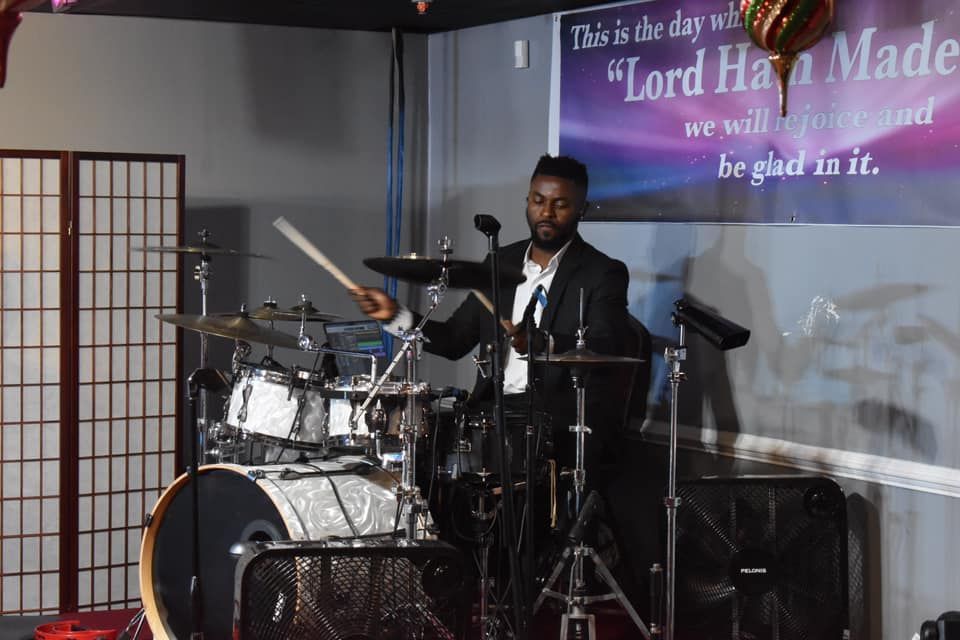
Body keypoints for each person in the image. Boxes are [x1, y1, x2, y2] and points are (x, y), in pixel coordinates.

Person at [350, 154, 633, 476]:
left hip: (553, 420)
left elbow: (607, 345)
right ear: (527, 201)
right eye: (538, 201)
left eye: (560, 204)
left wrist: (541, 343)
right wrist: (394, 316)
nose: (547, 213)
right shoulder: (501, 262)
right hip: (491, 411)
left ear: (581, 209)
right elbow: (454, 340)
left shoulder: (602, 272)